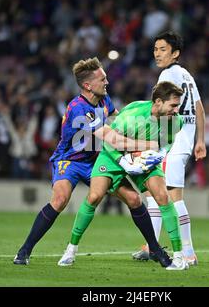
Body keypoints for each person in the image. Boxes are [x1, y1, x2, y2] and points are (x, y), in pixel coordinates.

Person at [13, 57, 157, 265]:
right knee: (60, 200)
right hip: (70, 160)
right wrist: (147, 145)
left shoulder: (104, 100)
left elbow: (120, 122)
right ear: (88, 85)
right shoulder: (78, 108)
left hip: (96, 161)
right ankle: (24, 251)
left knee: (134, 199)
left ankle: (154, 248)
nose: (107, 82)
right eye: (102, 79)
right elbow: (111, 137)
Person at [58, 81, 190, 270]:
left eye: (178, 105)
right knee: (94, 196)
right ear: (158, 102)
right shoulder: (132, 115)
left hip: (142, 159)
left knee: (163, 197)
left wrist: (159, 154)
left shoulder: (177, 121)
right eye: (173, 105)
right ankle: (71, 250)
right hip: (113, 157)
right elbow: (109, 142)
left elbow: (167, 142)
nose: (176, 110)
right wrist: (123, 161)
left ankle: (179, 257)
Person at [132, 31, 206, 265]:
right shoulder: (187, 75)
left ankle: (188, 252)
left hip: (174, 140)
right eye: (155, 49)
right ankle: (151, 246)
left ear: (175, 53)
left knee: (173, 197)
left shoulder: (168, 74)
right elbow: (200, 109)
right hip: (183, 140)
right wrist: (200, 140)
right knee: (154, 192)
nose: (157, 53)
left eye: (162, 49)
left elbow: (159, 111)